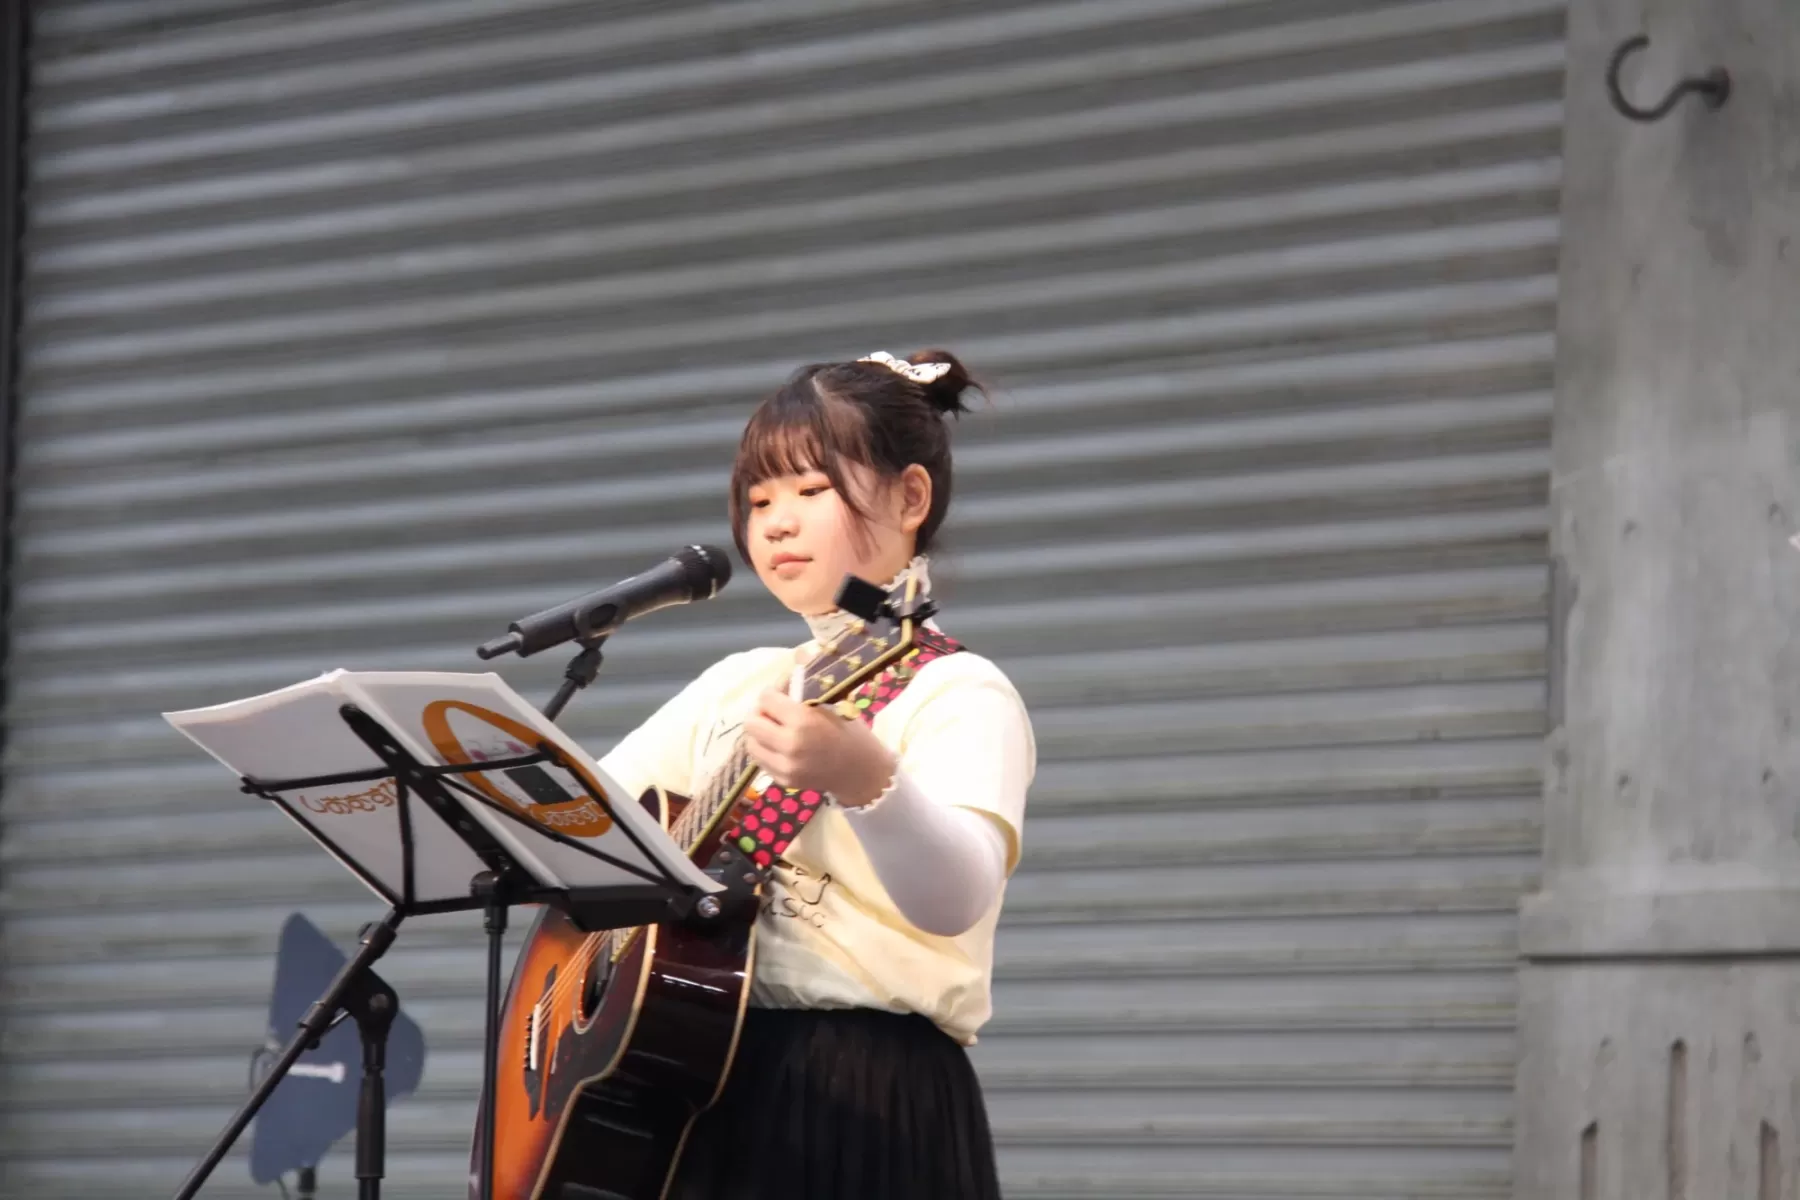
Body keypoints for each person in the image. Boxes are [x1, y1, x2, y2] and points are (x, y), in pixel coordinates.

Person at [593, 348, 1035, 1200]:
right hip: (704, 1076)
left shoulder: (958, 689)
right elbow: (587, 824)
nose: (776, 523)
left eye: (811, 489)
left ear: (911, 497)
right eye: (759, 500)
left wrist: (867, 780)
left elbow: (956, 897)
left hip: (865, 1088)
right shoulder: (739, 684)